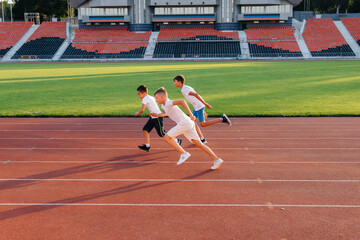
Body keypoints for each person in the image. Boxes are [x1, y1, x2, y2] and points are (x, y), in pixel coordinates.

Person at [151, 87, 223, 170]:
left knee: (167, 138)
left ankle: (184, 153)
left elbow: (182, 101)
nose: (155, 100)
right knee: (199, 144)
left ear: (162, 97)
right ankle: (217, 159)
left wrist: (191, 114)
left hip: (184, 123)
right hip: (188, 124)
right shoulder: (164, 105)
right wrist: (157, 115)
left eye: (156, 98)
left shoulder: (168, 103)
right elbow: (165, 113)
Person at [173, 75, 232, 144]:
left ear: (180, 82)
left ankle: (221, 119)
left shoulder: (184, 89)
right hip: (197, 107)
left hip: (198, 106)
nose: (174, 83)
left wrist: (205, 104)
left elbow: (196, 95)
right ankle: (202, 139)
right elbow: (194, 98)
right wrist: (203, 109)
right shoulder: (186, 87)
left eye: (175, 81)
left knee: (203, 124)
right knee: (192, 122)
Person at [135, 85, 181, 152]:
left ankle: (177, 140)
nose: (138, 96)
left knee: (161, 134)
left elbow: (142, 110)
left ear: (144, 93)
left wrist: (137, 113)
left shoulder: (145, 98)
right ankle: (147, 146)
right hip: (153, 117)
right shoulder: (150, 97)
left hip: (157, 117)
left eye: (139, 94)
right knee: (146, 129)